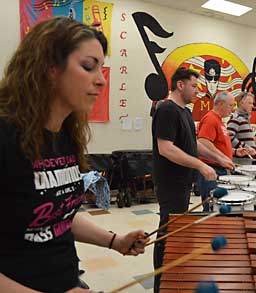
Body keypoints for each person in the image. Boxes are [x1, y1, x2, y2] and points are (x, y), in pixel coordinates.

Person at [0, 17, 148, 293]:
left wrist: (114, 240)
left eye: (101, 69)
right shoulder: (6, 135)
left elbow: (59, 213)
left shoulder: (65, 135)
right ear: (49, 67)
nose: (102, 80)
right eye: (88, 67)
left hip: (66, 280)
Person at [152, 67, 233, 292]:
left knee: (176, 231)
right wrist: (201, 165)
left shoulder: (185, 112)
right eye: (194, 86)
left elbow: (193, 144)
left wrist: (220, 158)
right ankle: (161, 285)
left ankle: (173, 278)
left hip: (183, 182)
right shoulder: (166, 109)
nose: (198, 91)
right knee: (167, 233)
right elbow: (166, 149)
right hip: (170, 182)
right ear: (180, 85)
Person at [197, 91, 247, 211]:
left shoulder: (219, 120)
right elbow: (203, 142)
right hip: (211, 169)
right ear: (220, 104)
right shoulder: (210, 119)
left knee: (219, 206)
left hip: (219, 169)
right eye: (230, 105)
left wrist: (234, 152)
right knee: (211, 208)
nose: (233, 109)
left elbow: (218, 144)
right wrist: (223, 158)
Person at [227, 92, 256, 156]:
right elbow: (229, 138)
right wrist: (246, 148)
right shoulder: (236, 118)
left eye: (252, 103)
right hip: (239, 161)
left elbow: (250, 146)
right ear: (241, 103)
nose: (252, 106)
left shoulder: (245, 119)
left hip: (246, 160)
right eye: (250, 103)